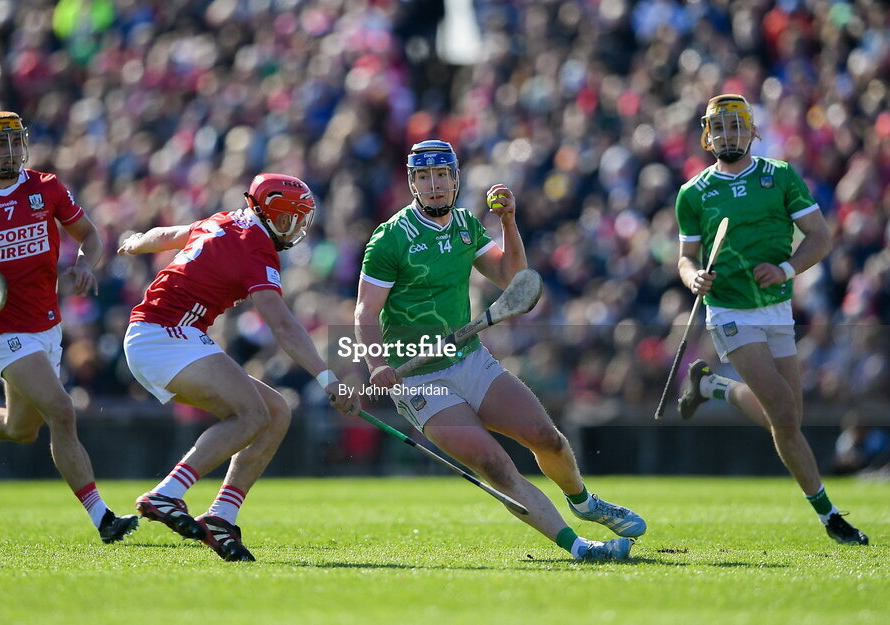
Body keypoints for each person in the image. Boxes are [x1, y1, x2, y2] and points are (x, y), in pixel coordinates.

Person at [353, 140, 645, 561]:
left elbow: (513, 280)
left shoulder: (467, 226)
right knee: (494, 465)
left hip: (470, 359)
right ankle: (579, 547)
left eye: (441, 175)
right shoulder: (391, 239)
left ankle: (583, 502)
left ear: (455, 179)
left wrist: (508, 220)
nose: (433, 185)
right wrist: (376, 364)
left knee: (548, 438)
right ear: (412, 183)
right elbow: (366, 311)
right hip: (418, 379)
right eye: (423, 177)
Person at [0, 111, 139, 544]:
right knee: (62, 410)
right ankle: (103, 518)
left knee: (21, 429)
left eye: (14, 142)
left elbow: (90, 237)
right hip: (1, 331)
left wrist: (82, 264)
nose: (8, 152)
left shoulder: (47, 188)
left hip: (47, 325)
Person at [118, 173, 360, 562]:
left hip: (163, 337)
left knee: (277, 411)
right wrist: (327, 377)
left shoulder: (226, 219)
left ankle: (221, 516)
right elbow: (282, 325)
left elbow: (166, 236)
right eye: (295, 218)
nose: (299, 227)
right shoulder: (257, 248)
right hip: (164, 336)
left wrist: (133, 245)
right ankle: (167, 493)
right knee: (251, 414)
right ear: (277, 216)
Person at [674, 94, 868, 545]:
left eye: (736, 126)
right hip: (729, 309)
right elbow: (685, 258)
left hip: (777, 306)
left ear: (753, 131)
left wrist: (786, 269)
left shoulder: (779, 177)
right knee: (782, 412)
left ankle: (711, 386)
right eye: (719, 128)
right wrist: (693, 278)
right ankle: (830, 516)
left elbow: (820, 238)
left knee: (789, 420)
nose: (729, 135)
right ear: (708, 135)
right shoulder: (693, 193)